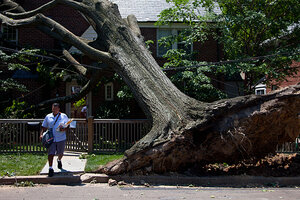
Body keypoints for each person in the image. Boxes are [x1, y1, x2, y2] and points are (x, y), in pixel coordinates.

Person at [40, 103, 69, 177]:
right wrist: (41, 134)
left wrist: (64, 128)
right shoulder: (48, 116)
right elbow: (44, 126)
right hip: (51, 138)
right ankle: (50, 168)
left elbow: (68, 125)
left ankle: (59, 160)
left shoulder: (63, 116)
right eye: (53, 108)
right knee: (51, 153)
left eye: (56, 109)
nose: (54, 110)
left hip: (61, 137)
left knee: (61, 152)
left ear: (59, 109)